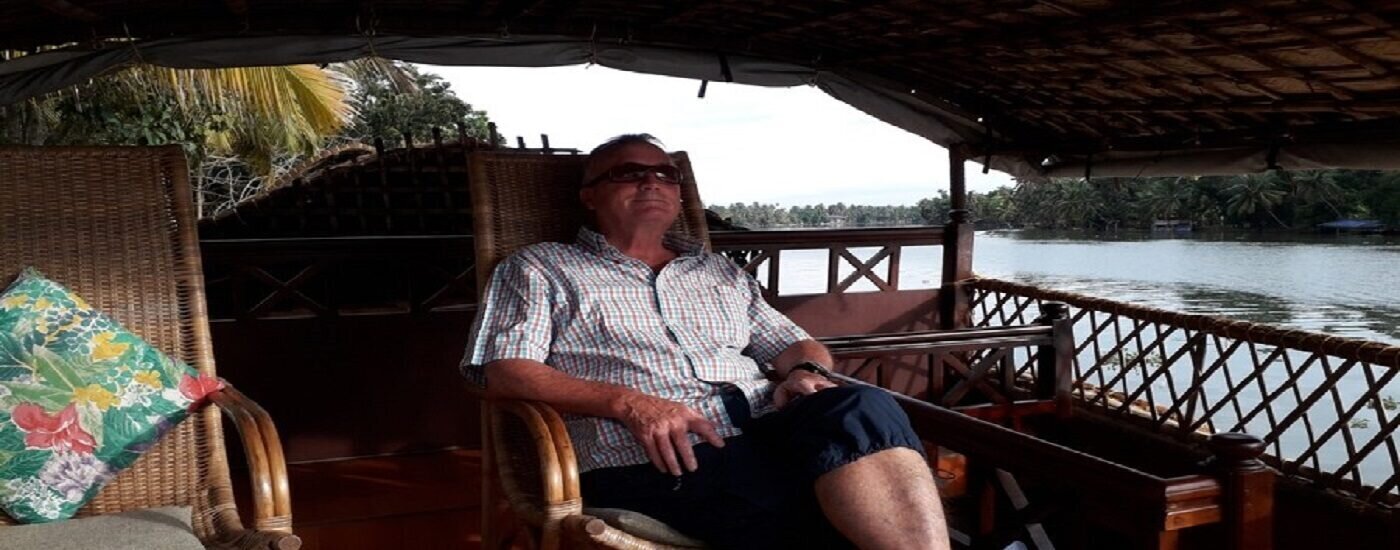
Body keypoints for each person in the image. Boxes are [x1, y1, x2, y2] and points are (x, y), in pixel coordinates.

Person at [463, 134, 948, 549]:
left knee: (862, 405)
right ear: (589, 196)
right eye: (629, 173)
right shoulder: (539, 268)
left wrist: (805, 373)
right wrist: (629, 403)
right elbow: (504, 371)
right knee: (819, 512)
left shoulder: (718, 272)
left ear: (678, 193)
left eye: (665, 174)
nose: (651, 181)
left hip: (768, 426)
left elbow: (795, 344)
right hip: (665, 453)